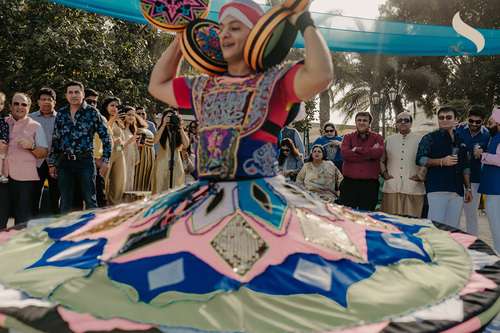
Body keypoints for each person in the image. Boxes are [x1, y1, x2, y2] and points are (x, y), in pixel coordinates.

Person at [2, 3, 497, 333]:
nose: (226, 34)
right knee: (136, 255)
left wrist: (303, 21)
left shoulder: (276, 82)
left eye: (236, 27)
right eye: (221, 30)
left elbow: (322, 75)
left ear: (259, 34)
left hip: (265, 198)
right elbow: (157, 85)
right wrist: (181, 35)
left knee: (300, 269)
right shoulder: (203, 86)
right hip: (199, 197)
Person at [48, 81, 112, 213]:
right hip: (65, 162)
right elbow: (56, 139)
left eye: (77, 92)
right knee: (65, 201)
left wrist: (106, 160)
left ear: (83, 94)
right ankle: (66, 232)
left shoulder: (92, 112)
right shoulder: (61, 113)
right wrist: (52, 163)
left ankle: (91, 231)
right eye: (70, 92)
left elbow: (106, 137)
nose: (74, 95)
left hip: (85, 161)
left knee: (90, 200)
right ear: (66, 95)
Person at [416, 106, 472, 228]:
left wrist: (468, 188)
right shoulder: (429, 138)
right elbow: (420, 159)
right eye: (441, 118)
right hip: (437, 189)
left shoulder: (461, 140)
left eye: (448, 117)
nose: (444, 120)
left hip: (457, 191)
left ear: (456, 119)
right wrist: (441, 161)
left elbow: (466, 167)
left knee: (452, 229)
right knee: (435, 228)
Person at [0, 93, 48, 227]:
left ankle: (19, 247)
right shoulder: (3, 122)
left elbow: (43, 153)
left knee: (22, 219)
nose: (20, 107)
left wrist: (31, 146)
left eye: (24, 104)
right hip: (2, 176)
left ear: (29, 107)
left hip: (25, 180)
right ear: (10, 106)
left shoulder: (36, 126)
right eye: (16, 103)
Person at [380, 111, 426, 218]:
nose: (403, 122)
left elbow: (425, 160)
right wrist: (385, 174)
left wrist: (421, 175)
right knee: (390, 221)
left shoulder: (421, 139)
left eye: (406, 120)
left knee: (412, 222)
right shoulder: (389, 140)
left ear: (411, 123)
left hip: (413, 187)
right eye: (400, 120)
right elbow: (381, 160)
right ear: (396, 123)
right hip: (392, 187)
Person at [455, 105, 490, 235]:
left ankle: (473, 246)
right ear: (467, 118)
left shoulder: (487, 135)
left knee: (471, 215)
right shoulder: (458, 129)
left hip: (475, 179)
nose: (474, 124)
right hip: (456, 177)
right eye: (471, 121)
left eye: (478, 122)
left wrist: (482, 154)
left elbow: (491, 156)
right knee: (455, 215)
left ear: (483, 121)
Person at [339, 112, 384, 211]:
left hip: (369, 186)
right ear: (355, 122)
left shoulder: (377, 138)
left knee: (367, 216)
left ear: (369, 123)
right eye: (359, 120)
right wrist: (370, 152)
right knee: (347, 216)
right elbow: (345, 154)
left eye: (365, 120)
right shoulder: (347, 137)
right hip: (349, 184)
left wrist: (357, 150)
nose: (361, 122)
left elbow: (378, 153)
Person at [29, 87, 60, 215]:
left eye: (49, 99)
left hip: (56, 164)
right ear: (38, 101)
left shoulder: (61, 118)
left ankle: (55, 227)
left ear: (54, 102)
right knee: (33, 197)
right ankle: (31, 226)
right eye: (43, 99)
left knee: (55, 197)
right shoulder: (30, 118)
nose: (46, 102)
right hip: (35, 162)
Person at [151, 110, 189, 194]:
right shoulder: (161, 129)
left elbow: (186, 144)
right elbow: (155, 141)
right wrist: (163, 125)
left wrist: (180, 128)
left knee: (176, 185)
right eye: (168, 117)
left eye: (172, 117)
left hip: (176, 162)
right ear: (163, 118)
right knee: (160, 186)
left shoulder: (178, 131)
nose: (170, 119)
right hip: (162, 162)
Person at [478, 107, 500, 252]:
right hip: (493, 187)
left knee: (496, 224)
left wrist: (483, 155)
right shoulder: (494, 137)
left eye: (491, 123)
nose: (488, 126)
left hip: (496, 188)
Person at [101, 96, 126, 205]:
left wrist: (121, 148)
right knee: (104, 180)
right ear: (106, 107)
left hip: (119, 152)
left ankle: (114, 205)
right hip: (106, 153)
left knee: (119, 181)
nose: (114, 108)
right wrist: (112, 119)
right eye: (112, 105)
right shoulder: (102, 119)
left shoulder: (119, 122)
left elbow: (121, 141)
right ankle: (102, 203)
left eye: (117, 106)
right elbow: (105, 131)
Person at [0, 92, 8, 183]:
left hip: (3, 145)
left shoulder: (3, 119)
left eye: (1, 103)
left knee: (3, 158)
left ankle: (2, 174)